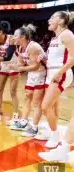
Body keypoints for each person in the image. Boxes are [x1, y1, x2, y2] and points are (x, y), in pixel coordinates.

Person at [38, 11, 74, 161]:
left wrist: (61, 72)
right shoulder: (54, 38)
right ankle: (55, 134)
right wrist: (44, 59)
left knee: (45, 106)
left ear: (60, 20)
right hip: (51, 73)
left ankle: (55, 135)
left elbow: (72, 57)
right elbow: (56, 59)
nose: (49, 20)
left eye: (52, 18)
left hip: (61, 74)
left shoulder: (67, 34)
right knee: (52, 107)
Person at [10, 24, 47, 137]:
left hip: (41, 73)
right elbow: (21, 63)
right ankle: (24, 121)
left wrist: (19, 68)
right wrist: (18, 66)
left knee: (36, 102)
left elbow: (35, 66)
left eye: (15, 36)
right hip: (32, 74)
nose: (13, 38)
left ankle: (34, 127)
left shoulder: (33, 47)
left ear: (23, 37)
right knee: (27, 97)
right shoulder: (20, 47)